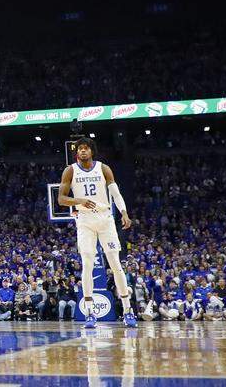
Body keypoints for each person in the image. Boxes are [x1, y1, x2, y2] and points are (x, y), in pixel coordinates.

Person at [57, 139, 137, 329]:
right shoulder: (70, 170)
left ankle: (127, 310)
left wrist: (124, 213)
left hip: (105, 218)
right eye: (79, 149)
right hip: (84, 220)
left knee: (116, 265)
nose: (83, 151)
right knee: (87, 264)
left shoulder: (103, 168)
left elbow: (116, 194)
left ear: (91, 151)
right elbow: (61, 199)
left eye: (85, 148)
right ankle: (90, 312)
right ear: (76, 153)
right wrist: (80, 201)